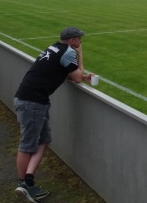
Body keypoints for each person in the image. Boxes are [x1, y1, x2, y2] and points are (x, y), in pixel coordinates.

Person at [13, 27, 94, 202]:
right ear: (72, 40)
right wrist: (80, 55)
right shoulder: (69, 52)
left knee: (43, 141)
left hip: (32, 100)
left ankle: (28, 180)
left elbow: (64, 73)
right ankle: (24, 184)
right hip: (32, 103)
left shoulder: (55, 47)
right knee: (27, 144)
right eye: (80, 39)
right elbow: (77, 77)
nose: (81, 42)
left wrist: (82, 76)